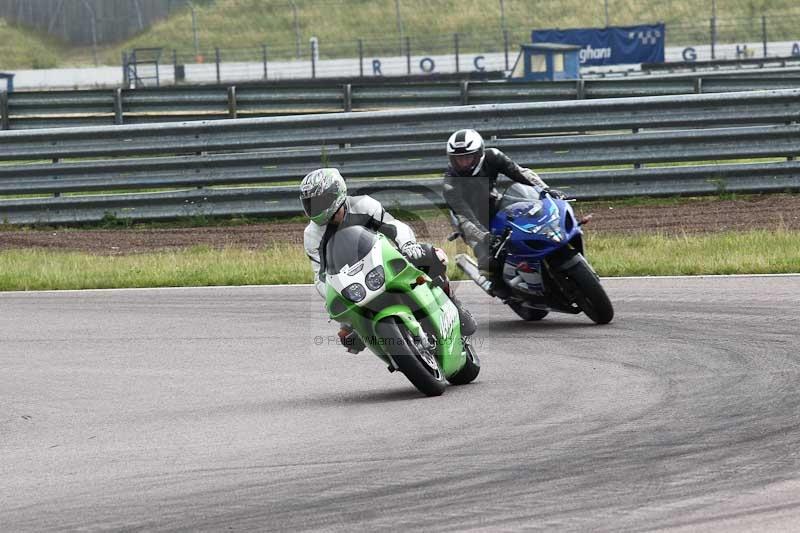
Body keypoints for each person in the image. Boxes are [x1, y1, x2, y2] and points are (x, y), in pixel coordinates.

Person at [300, 168, 476, 353]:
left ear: (337, 194)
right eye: (310, 203)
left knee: (432, 255)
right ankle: (394, 350)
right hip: (352, 283)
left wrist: (407, 244)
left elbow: (394, 226)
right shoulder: (312, 234)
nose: (315, 208)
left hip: (381, 260)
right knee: (347, 339)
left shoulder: (363, 205)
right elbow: (320, 275)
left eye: (319, 202)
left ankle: (453, 302)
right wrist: (332, 294)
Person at [442, 128, 566, 298]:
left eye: (467, 157)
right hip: (470, 221)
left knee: (531, 222)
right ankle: (504, 291)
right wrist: (484, 236)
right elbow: (464, 216)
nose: (462, 163)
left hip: (494, 203)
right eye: (458, 159)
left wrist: (546, 190)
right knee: (488, 262)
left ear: (479, 154)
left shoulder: (493, 157)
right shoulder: (450, 183)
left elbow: (520, 173)